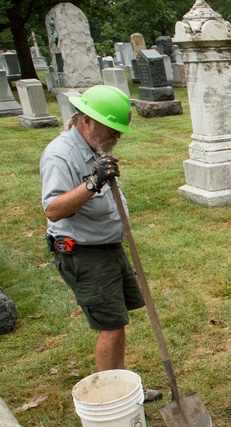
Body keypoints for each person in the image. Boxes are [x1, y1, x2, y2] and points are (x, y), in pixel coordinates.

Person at [40, 84, 162, 403]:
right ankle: (112, 399)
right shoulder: (60, 155)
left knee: (117, 321)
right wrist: (92, 183)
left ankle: (121, 386)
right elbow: (53, 209)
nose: (117, 137)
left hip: (108, 248)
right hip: (83, 253)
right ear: (87, 121)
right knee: (109, 325)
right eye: (112, 129)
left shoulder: (95, 147)